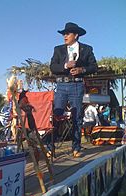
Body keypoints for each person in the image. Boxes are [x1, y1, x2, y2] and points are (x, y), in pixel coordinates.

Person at [50, 22, 98, 157]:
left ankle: (76, 147)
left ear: (76, 35)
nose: (64, 36)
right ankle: (50, 147)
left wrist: (82, 69)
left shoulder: (86, 49)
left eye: (67, 33)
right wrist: (65, 65)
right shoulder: (58, 49)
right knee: (56, 114)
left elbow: (94, 67)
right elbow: (53, 67)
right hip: (61, 85)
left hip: (76, 85)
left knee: (77, 117)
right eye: (63, 34)